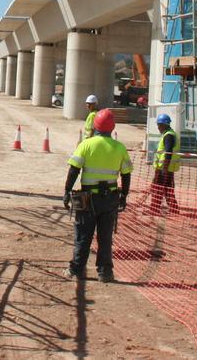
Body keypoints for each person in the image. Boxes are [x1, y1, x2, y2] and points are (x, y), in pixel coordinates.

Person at [63, 108, 133, 282]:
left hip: (87, 199)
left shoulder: (86, 145)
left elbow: (74, 170)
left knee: (83, 235)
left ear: (95, 126)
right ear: (112, 127)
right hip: (110, 198)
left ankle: (77, 270)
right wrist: (124, 195)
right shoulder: (119, 147)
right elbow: (126, 174)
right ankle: (105, 272)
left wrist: (66, 192)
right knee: (105, 236)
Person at [149, 113, 181, 215]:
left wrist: (164, 168)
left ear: (163, 125)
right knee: (167, 189)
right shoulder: (168, 134)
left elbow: (168, 152)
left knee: (158, 189)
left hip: (164, 168)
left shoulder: (169, 136)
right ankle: (174, 209)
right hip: (165, 168)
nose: (158, 127)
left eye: (159, 125)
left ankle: (154, 209)